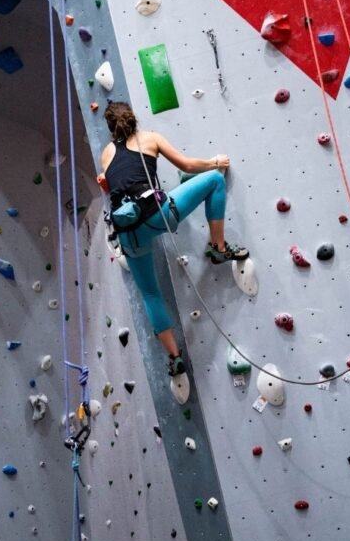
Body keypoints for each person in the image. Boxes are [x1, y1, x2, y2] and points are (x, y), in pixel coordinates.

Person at [98, 102, 248, 376]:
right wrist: (216, 162)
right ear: (133, 118)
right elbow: (187, 165)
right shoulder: (150, 138)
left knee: (150, 294)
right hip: (157, 214)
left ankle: (174, 358)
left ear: (111, 129)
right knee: (214, 180)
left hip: (128, 233)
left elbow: (110, 186)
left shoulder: (106, 153)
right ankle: (218, 247)